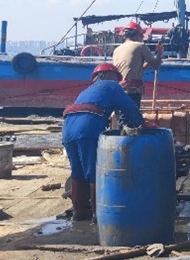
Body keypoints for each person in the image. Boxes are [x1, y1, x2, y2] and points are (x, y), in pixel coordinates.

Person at [61, 63, 146, 221]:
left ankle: (79, 212)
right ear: (107, 76)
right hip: (88, 128)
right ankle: (97, 214)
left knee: (78, 173)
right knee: (94, 171)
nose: (117, 81)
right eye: (116, 77)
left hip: (67, 130)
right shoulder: (112, 86)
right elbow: (129, 108)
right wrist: (142, 125)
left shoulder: (86, 91)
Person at [112, 21, 162, 107]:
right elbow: (156, 66)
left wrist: (149, 60)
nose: (142, 38)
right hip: (132, 91)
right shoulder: (140, 46)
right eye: (141, 36)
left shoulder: (117, 50)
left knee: (120, 114)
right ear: (137, 35)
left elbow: (135, 69)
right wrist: (159, 53)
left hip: (118, 90)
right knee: (132, 114)